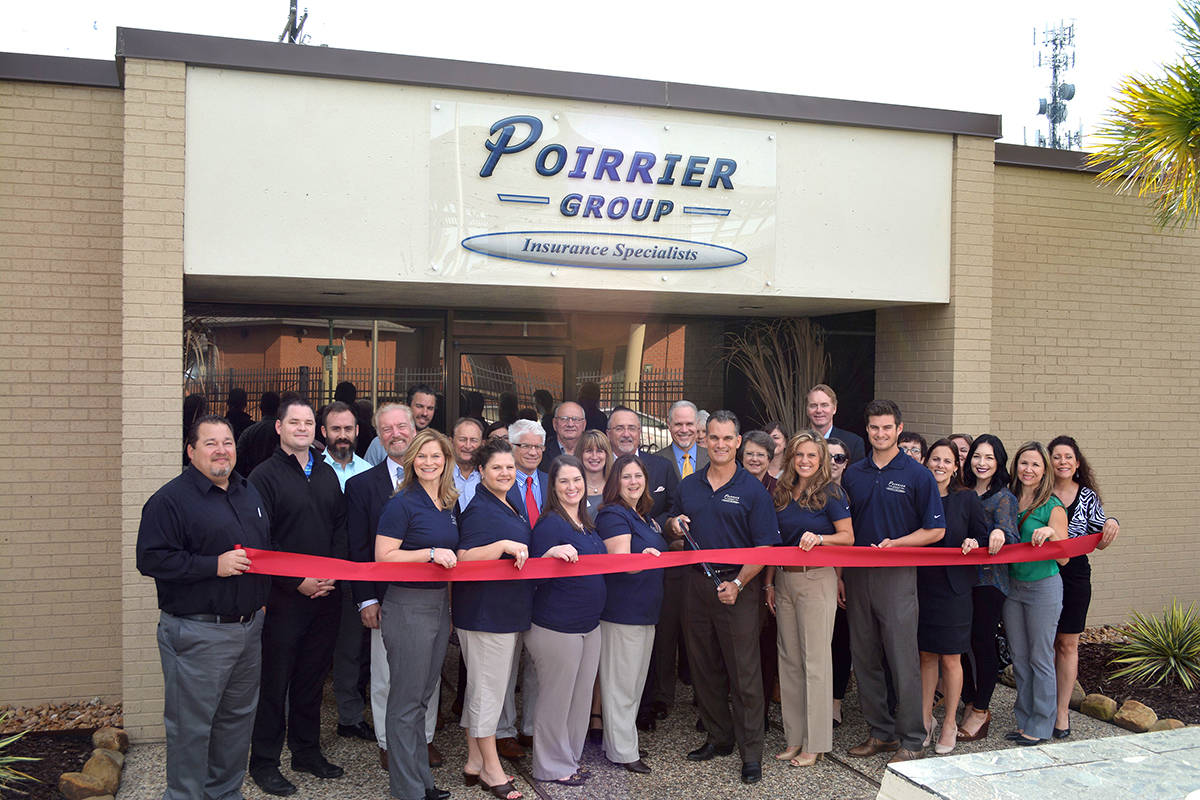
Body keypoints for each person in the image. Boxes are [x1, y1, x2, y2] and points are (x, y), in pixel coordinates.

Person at [137, 414, 272, 800]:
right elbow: (151, 559)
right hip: (198, 633)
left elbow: (263, 551)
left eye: (227, 443)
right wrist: (213, 565)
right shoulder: (170, 500)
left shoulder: (247, 491)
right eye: (210, 443)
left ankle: (225, 793)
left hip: (247, 631)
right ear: (191, 450)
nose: (221, 451)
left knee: (236, 723)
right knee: (191, 728)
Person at [667, 411, 781, 785]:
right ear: (705, 439)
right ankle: (719, 737)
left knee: (744, 673)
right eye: (713, 437)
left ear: (738, 442)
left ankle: (752, 754)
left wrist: (740, 583)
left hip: (737, 588)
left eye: (727, 438)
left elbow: (765, 548)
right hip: (696, 585)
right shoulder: (690, 485)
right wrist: (673, 524)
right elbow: (672, 522)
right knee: (703, 666)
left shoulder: (753, 491)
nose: (719, 444)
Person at [247, 397, 346, 796]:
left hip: (326, 596)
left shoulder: (326, 473)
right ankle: (264, 762)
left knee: (311, 681)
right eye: (294, 422)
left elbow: (340, 527)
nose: (302, 428)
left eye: (308, 422)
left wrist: (333, 572)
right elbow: (261, 540)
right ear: (279, 427)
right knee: (275, 684)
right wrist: (296, 580)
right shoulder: (263, 477)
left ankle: (306, 752)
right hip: (285, 599)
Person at [841, 399, 945, 764]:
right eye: (874, 427)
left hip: (898, 575)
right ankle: (880, 732)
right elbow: (844, 529)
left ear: (899, 429)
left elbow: (936, 530)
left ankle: (912, 739)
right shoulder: (853, 473)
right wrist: (840, 576)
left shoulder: (918, 475)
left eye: (887, 427)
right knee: (865, 656)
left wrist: (899, 544)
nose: (880, 433)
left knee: (902, 660)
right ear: (867, 430)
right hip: (857, 575)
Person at [376, 428, 459, 800]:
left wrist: (450, 608)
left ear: (446, 461)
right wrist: (429, 554)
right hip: (408, 606)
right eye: (422, 456)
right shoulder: (401, 502)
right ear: (412, 460)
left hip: (438, 606)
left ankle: (422, 783)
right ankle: (406, 789)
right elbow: (383, 557)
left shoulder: (447, 502)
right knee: (405, 702)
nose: (429, 462)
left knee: (422, 699)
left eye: (436, 456)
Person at [763, 431, 853, 768]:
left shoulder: (832, 493)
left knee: (815, 660)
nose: (804, 461)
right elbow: (773, 542)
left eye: (811, 455)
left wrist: (821, 538)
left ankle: (816, 743)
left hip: (816, 579)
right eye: (799, 454)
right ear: (791, 457)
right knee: (789, 660)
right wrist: (769, 583)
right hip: (784, 579)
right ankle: (794, 737)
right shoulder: (782, 492)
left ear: (821, 460)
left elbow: (848, 537)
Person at [345, 403, 426, 773]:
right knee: (385, 675)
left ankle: (422, 740)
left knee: (425, 674)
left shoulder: (436, 478)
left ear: (414, 429)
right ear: (378, 437)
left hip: (428, 597)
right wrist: (366, 598)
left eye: (401, 426)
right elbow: (358, 546)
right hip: (384, 596)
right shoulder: (362, 485)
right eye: (387, 429)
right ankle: (387, 742)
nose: (396, 434)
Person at [456, 438, 534, 796]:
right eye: (497, 467)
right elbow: (464, 557)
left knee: (483, 689)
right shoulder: (479, 509)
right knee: (488, 694)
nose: (505, 473)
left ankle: (474, 761)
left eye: (509, 467)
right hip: (486, 614)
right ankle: (491, 768)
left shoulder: (507, 501)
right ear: (481, 471)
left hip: (503, 612)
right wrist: (501, 546)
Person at [525, 456, 608, 786]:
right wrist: (548, 556)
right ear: (553, 487)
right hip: (557, 627)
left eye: (577, 480)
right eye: (564, 481)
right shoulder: (550, 524)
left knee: (580, 700)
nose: (572, 487)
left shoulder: (586, 523)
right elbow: (534, 574)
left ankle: (570, 760)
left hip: (589, 626)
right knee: (556, 701)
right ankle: (550, 766)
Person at [595, 454, 666, 774]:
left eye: (638, 476)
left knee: (633, 684)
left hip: (644, 612)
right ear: (615, 482)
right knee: (621, 685)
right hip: (622, 612)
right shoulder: (613, 514)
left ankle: (621, 743)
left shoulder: (642, 515)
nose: (633, 482)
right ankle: (623, 752)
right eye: (626, 477)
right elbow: (619, 561)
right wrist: (643, 558)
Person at [1048, 435, 1120, 739]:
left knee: (1067, 644)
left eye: (1068, 457)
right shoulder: (1039, 492)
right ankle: (1039, 707)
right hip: (1041, 572)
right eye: (1056, 456)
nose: (1062, 462)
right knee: (1042, 644)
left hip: (1075, 575)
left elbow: (1099, 541)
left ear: (1077, 463)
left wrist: (1110, 524)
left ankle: (1061, 711)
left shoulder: (1088, 497)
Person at [919, 439, 987, 755]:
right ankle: (925, 719)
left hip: (955, 589)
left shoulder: (967, 498)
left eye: (947, 461)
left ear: (956, 467)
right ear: (927, 462)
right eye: (935, 459)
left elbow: (982, 535)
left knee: (951, 657)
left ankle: (948, 723)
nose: (940, 465)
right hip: (922, 586)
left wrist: (975, 542)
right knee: (926, 655)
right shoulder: (918, 494)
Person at [640, 400, 705, 728]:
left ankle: (704, 695)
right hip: (667, 557)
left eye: (689, 424)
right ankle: (663, 696)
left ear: (698, 427)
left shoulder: (714, 457)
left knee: (701, 630)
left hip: (705, 560)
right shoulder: (655, 462)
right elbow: (658, 509)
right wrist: (668, 530)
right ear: (668, 425)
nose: (684, 429)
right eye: (678, 424)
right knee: (665, 631)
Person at [1004, 441, 1069, 745]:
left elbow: (1065, 558)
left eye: (1035, 464)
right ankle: (1025, 718)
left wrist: (1052, 533)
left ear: (1045, 470)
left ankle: (1042, 724)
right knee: (1019, 656)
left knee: (1040, 656)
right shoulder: (1009, 499)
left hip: (1043, 586)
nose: (1028, 469)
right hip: (1012, 586)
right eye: (1023, 463)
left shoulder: (1052, 506)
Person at [320, 401, 375, 749]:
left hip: (356, 574)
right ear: (324, 432)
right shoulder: (311, 470)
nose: (343, 435)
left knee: (352, 648)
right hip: (316, 577)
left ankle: (350, 716)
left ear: (357, 431)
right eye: (335, 429)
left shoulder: (368, 471)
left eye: (348, 429)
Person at [957, 434, 1019, 743]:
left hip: (990, 582)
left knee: (981, 642)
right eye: (977, 456)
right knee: (958, 643)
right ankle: (969, 701)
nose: (982, 463)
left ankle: (981, 710)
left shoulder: (1003, 497)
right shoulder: (962, 490)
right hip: (961, 579)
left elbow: (1010, 533)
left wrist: (999, 533)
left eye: (989, 458)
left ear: (999, 463)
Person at [826, 438, 853, 729]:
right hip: (824, 575)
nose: (834, 462)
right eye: (828, 456)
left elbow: (848, 539)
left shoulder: (852, 490)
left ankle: (836, 702)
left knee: (841, 641)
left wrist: (840, 577)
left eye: (840, 458)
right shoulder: (812, 491)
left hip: (850, 576)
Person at [366, 385, 441, 464]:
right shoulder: (379, 443)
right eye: (419, 406)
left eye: (430, 408)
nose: (425, 413)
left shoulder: (438, 442)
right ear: (407, 406)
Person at [805, 384, 867, 463]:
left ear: (834, 409)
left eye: (824, 405)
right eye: (813, 406)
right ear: (807, 410)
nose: (819, 410)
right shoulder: (798, 443)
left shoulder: (854, 443)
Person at [507, 419, 549, 524]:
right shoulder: (500, 484)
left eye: (538, 447)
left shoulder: (552, 482)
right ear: (511, 447)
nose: (533, 453)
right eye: (526, 446)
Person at [237, 391, 281, 476]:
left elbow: (240, 457)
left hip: (254, 476)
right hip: (280, 476)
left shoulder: (249, 431)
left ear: (261, 407)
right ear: (279, 407)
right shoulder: (286, 431)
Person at [574, 429, 613, 521]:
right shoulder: (573, 488)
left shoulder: (616, 487)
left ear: (607, 455)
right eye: (589, 451)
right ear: (580, 454)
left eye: (599, 451)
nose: (594, 457)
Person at [451, 416, 485, 511]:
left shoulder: (488, 475)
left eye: (473, 440)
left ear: (483, 444)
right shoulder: (440, 473)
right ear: (451, 442)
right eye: (462, 439)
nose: (468, 446)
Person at [540, 402, 586, 470]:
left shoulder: (592, 454)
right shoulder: (541, 454)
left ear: (584, 425)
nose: (570, 424)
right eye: (564, 419)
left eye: (576, 419)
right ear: (554, 424)